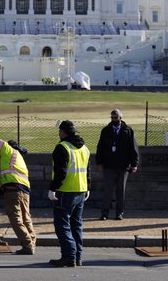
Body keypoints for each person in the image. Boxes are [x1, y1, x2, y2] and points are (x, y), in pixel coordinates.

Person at [0, 114, 36, 255]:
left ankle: (27, 245)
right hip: (25, 191)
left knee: (16, 218)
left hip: (13, 191)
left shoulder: (9, 151)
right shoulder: (20, 160)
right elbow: (6, 178)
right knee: (26, 218)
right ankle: (32, 242)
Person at [48, 120, 90, 268]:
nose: (59, 134)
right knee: (76, 225)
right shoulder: (84, 148)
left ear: (63, 132)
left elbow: (61, 173)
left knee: (62, 226)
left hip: (65, 192)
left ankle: (69, 257)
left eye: (60, 131)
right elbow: (87, 170)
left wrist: (53, 189)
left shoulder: (62, 147)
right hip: (80, 191)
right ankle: (77, 257)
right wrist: (88, 187)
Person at [95, 108, 139, 220]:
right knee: (107, 192)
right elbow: (100, 148)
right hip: (109, 166)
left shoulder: (128, 130)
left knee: (121, 192)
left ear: (120, 118)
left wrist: (134, 164)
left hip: (123, 166)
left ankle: (119, 213)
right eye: (112, 117)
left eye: (116, 117)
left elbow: (133, 149)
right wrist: (99, 162)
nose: (114, 119)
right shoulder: (106, 130)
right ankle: (104, 213)